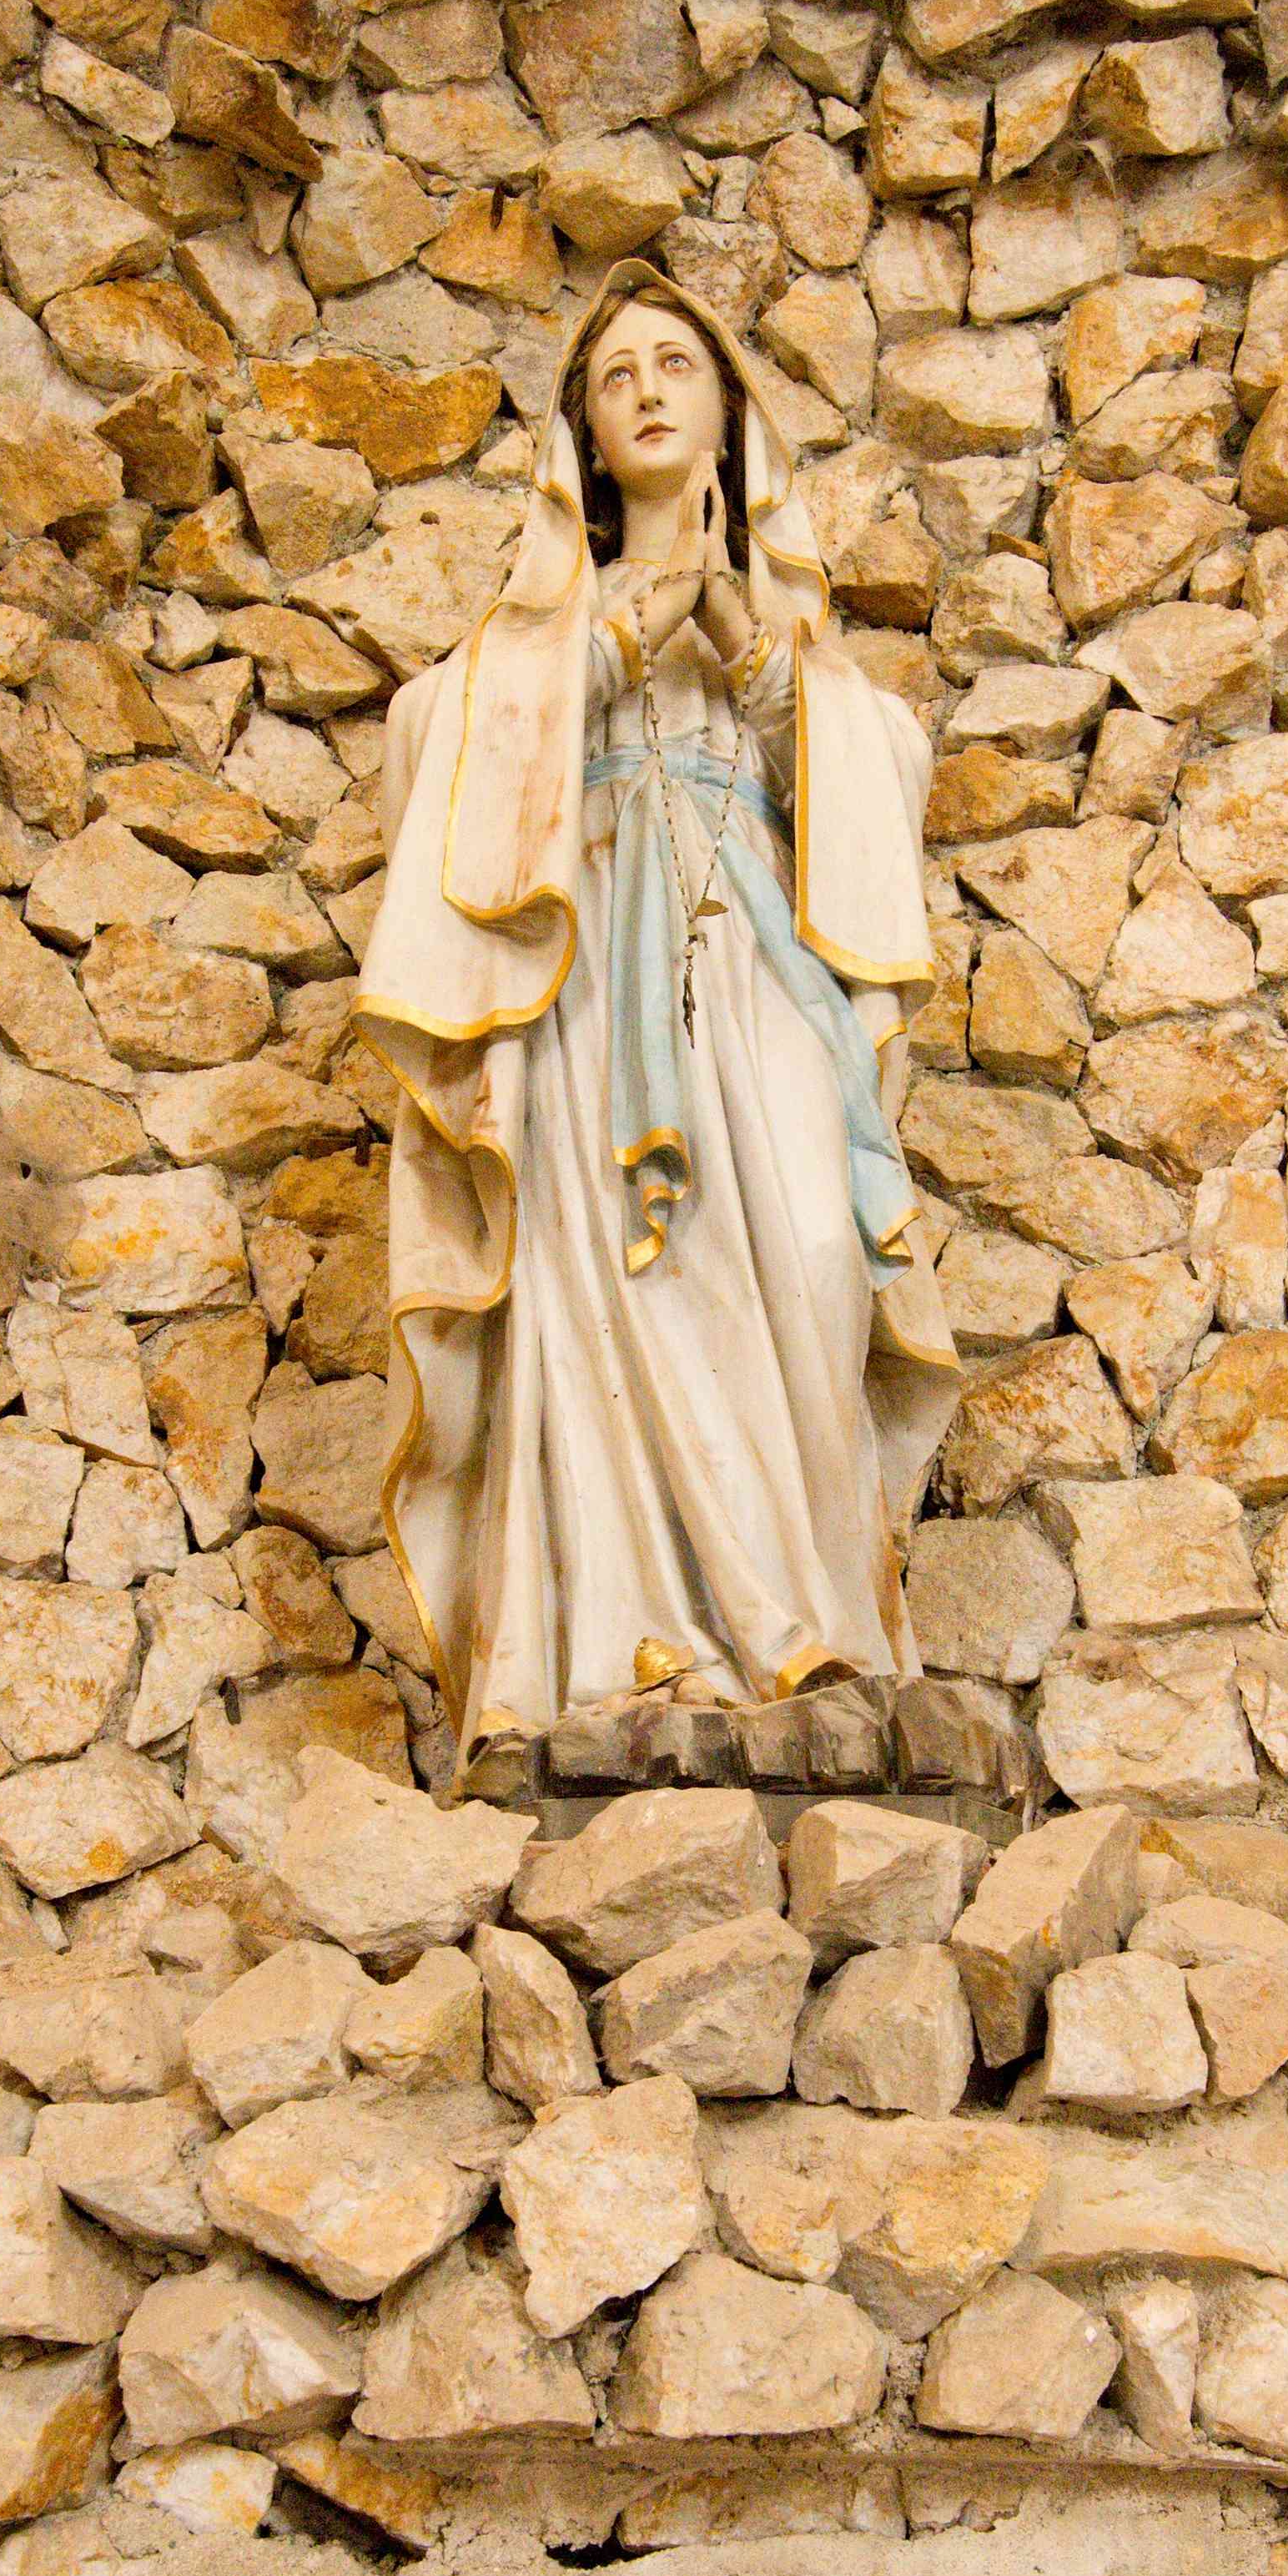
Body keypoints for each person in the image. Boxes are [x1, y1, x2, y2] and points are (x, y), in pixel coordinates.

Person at [355, 257, 961, 1743]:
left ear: (729, 413)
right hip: (585, 990)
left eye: (676, 365)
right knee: (612, 1281)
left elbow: (882, 785)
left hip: (755, 969)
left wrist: (750, 655)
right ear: (583, 432)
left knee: (813, 1248)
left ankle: (815, 1615)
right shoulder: (527, 640)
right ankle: (632, 1647)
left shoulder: (791, 638)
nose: (646, 391)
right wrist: (608, 650)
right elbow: (433, 746)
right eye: (617, 373)